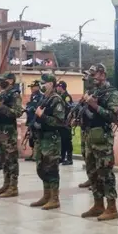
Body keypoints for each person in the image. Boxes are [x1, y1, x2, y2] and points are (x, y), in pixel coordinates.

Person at [79, 63, 118, 221]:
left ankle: (112, 207)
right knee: (92, 172)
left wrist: (94, 105)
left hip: (103, 138)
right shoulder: (92, 92)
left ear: (103, 75)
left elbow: (112, 117)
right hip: (89, 136)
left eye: (95, 74)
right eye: (91, 75)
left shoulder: (112, 93)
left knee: (106, 174)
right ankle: (98, 204)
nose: (92, 77)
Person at [28, 74, 66, 210]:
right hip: (41, 138)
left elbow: (60, 122)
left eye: (44, 83)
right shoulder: (44, 99)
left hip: (51, 139)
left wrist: (42, 116)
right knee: (41, 167)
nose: (42, 86)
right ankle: (46, 195)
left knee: (51, 168)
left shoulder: (56, 100)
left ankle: (54, 198)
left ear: (51, 84)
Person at [0, 73, 24, 197]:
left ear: (10, 81)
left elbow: (18, 112)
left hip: (9, 131)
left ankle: (13, 187)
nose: (1, 82)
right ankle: (6, 184)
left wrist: (2, 107)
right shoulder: (3, 93)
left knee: (11, 159)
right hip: (0, 128)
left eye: (3, 80)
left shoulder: (15, 95)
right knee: (3, 158)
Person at [75, 67, 97, 189]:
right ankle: (90, 178)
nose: (85, 78)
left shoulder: (96, 92)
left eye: (88, 76)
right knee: (86, 155)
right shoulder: (86, 92)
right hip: (84, 128)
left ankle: (95, 180)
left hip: (94, 129)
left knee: (94, 157)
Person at [23, 81, 43, 162]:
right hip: (31, 120)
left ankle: (36, 154)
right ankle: (33, 153)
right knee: (31, 138)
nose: (31, 89)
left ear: (38, 87)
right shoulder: (33, 96)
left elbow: (38, 108)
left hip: (36, 120)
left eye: (33, 87)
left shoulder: (40, 96)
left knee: (36, 138)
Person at [56, 81, 74, 165]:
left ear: (61, 87)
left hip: (66, 122)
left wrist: (68, 121)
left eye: (58, 86)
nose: (57, 88)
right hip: (61, 122)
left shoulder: (67, 97)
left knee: (67, 141)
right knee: (62, 140)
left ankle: (69, 158)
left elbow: (69, 109)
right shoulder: (59, 96)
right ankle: (62, 157)